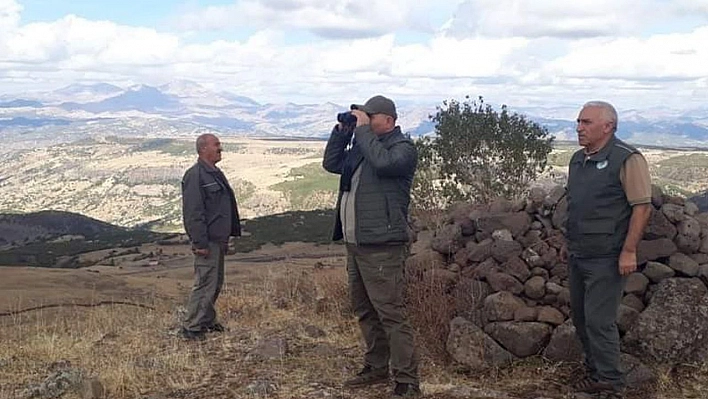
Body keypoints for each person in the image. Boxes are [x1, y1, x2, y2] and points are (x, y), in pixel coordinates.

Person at [323, 95, 420, 398]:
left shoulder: (401, 149)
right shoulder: (362, 147)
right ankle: (377, 367)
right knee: (365, 310)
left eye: (370, 116)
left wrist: (362, 132)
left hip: (382, 246)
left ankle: (406, 381)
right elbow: (332, 164)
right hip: (357, 244)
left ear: (388, 120)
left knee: (390, 313)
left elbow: (384, 163)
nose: (364, 121)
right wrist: (342, 133)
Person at [562, 101, 652, 398]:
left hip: (608, 255)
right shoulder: (577, 160)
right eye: (579, 122)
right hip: (579, 252)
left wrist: (628, 251)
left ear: (608, 126)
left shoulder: (627, 158)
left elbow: (641, 208)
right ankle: (595, 373)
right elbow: (577, 206)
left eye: (586, 122)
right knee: (581, 317)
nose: (579, 127)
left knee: (600, 320)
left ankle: (611, 383)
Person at [180, 133, 241, 340]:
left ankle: (206, 319)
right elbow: (193, 213)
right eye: (216, 145)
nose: (220, 148)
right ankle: (192, 327)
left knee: (215, 282)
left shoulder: (214, 173)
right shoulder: (195, 175)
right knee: (205, 282)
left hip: (217, 239)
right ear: (203, 148)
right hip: (207, 241)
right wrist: (200, 243)